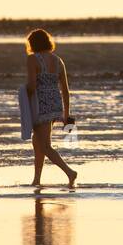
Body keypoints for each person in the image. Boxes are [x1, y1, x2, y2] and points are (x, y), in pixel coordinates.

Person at [24, 28, 77, 188]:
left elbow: (32, 86)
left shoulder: (32, 59)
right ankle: (36, 180)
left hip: (41, 105)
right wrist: (66, 115)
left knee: (45, 145)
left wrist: (23, 93)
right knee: (37, 141)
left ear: (32, 44)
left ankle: (69, 172)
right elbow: (66, 91)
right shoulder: (58, 60)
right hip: (55, 104)